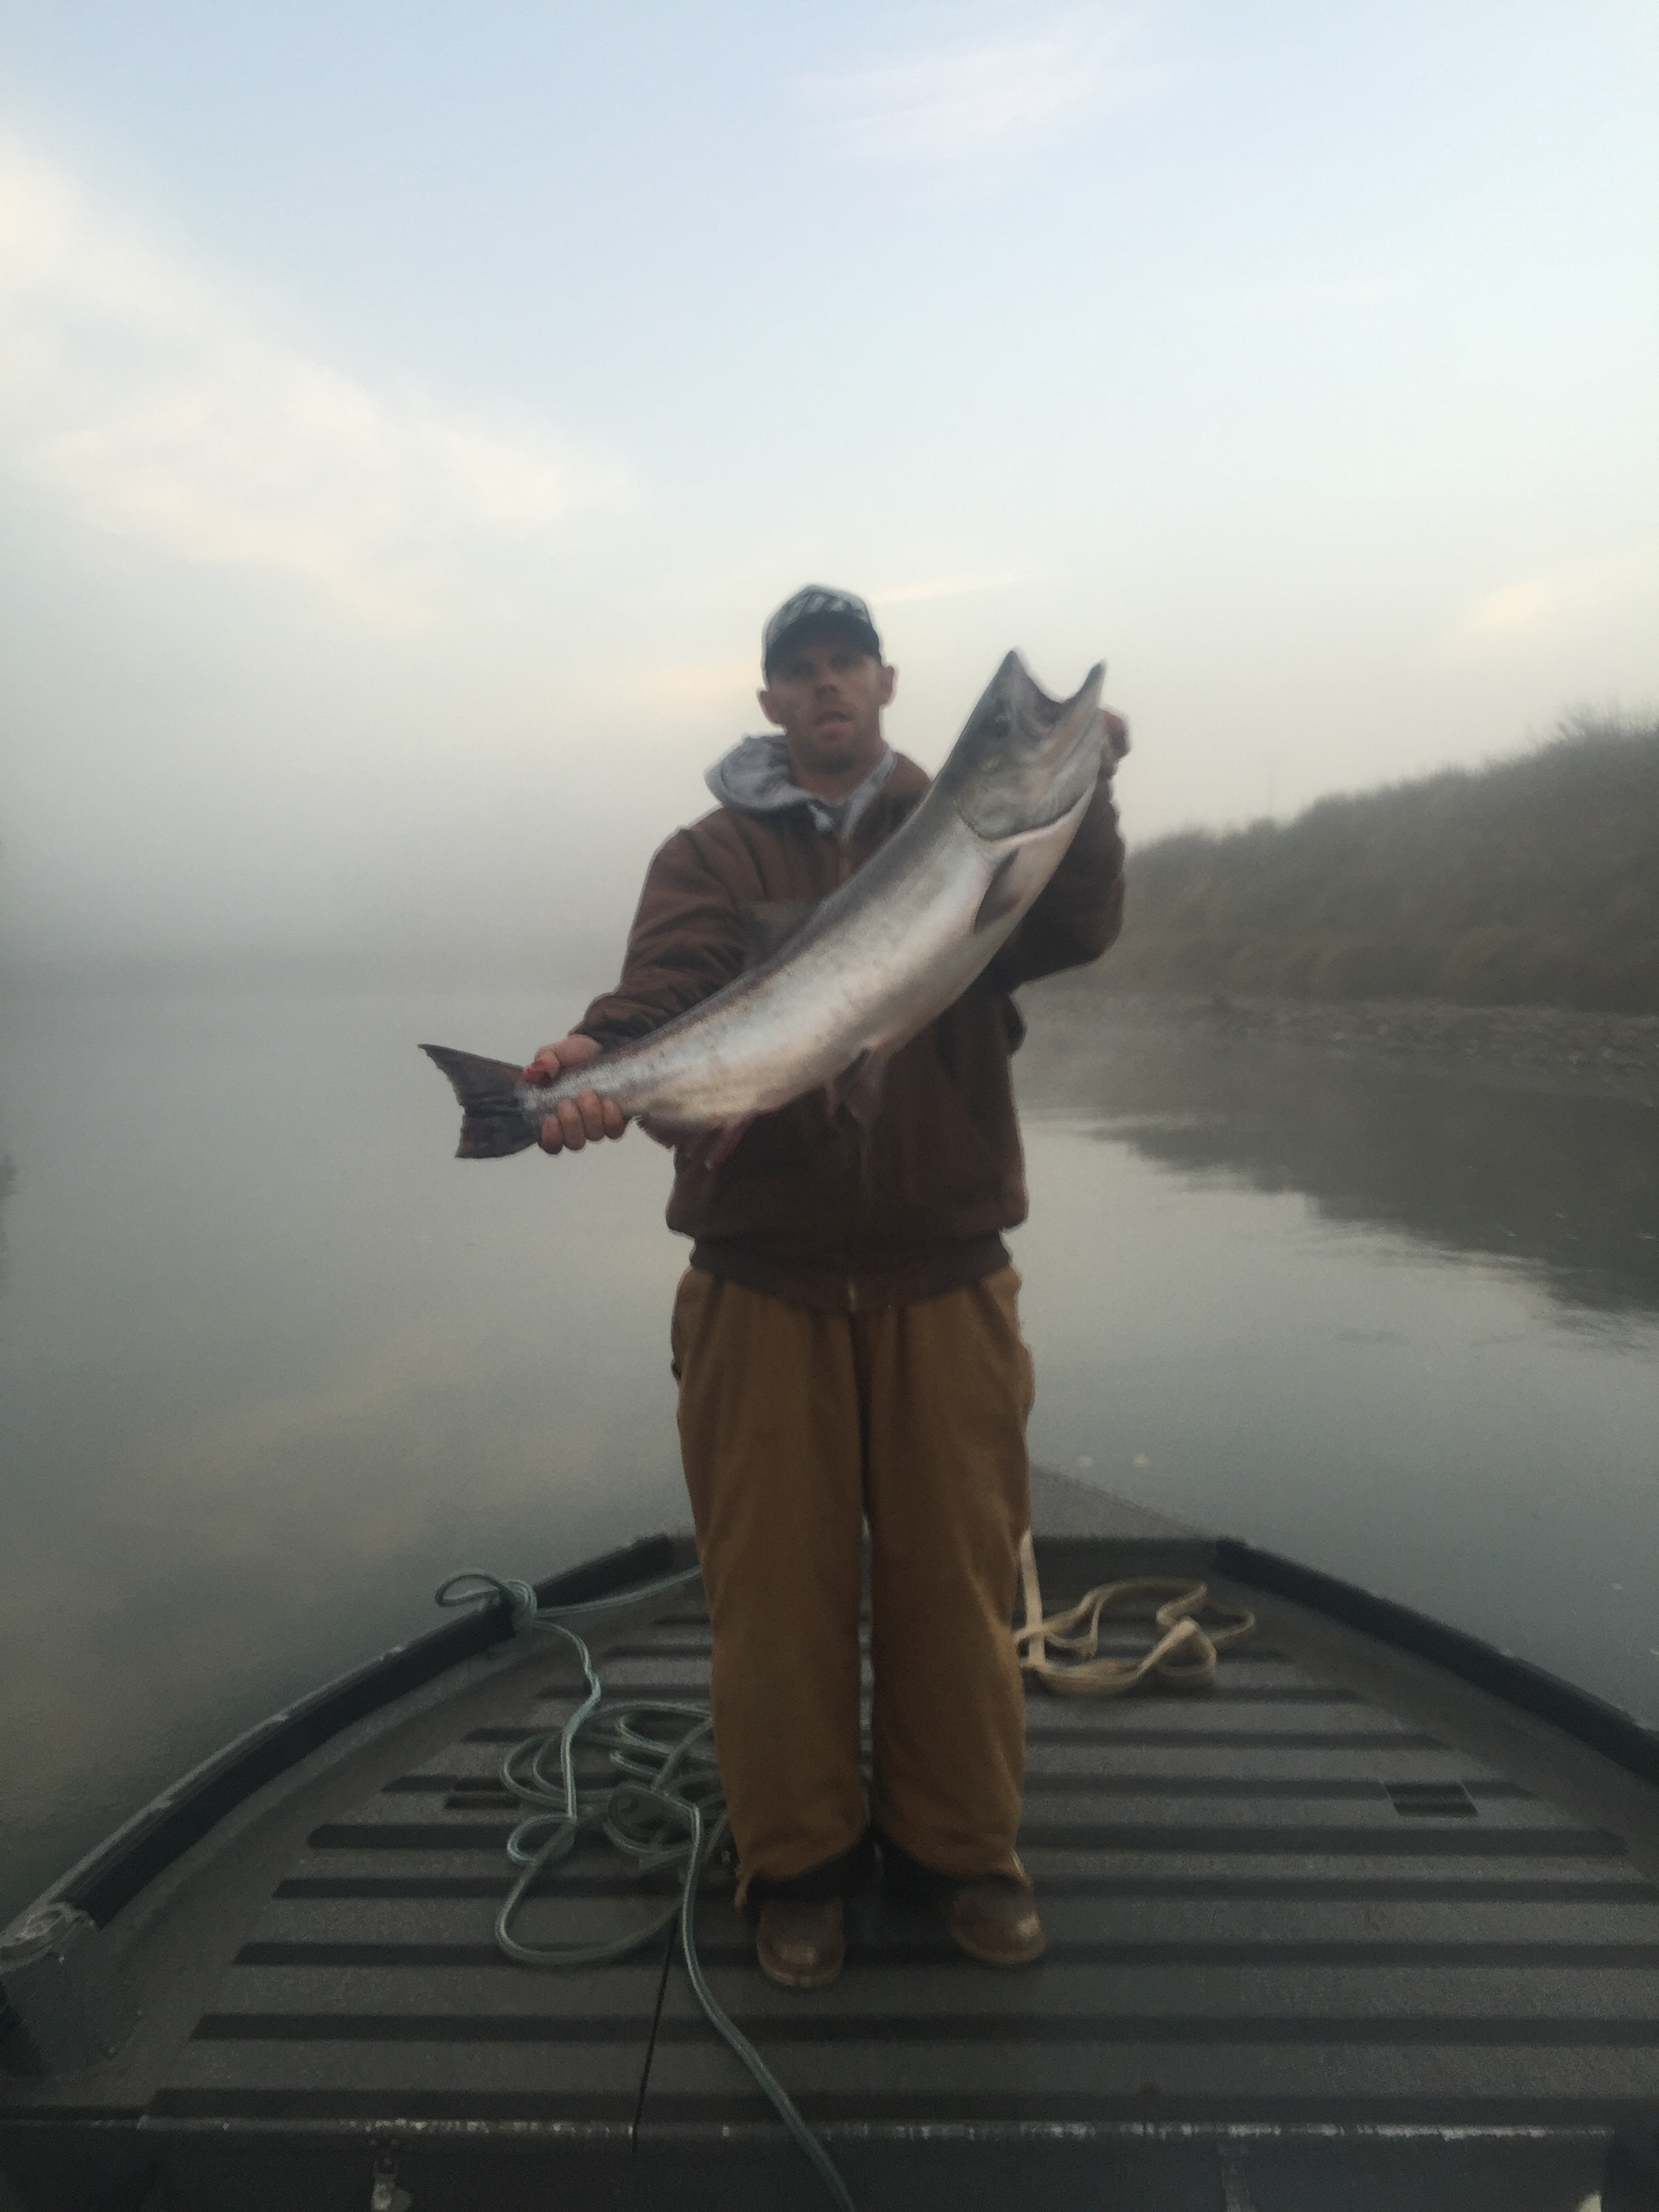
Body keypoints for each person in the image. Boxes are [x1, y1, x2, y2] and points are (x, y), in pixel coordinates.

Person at [523, 586, 1126, 1989]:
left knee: (956, 1585)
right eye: (800, 670)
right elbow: (667, 987)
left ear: (888, 682)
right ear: (770, 702)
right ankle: (795, 1869)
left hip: (946, 1267)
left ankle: (960, 1854)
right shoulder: (710, 853)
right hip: (761, 1279)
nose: (827, 685)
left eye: (846, 662)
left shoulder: (962, 827)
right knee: (775, 1600)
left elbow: (1075, 928)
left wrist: (1086, 793)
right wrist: (599, 1059)